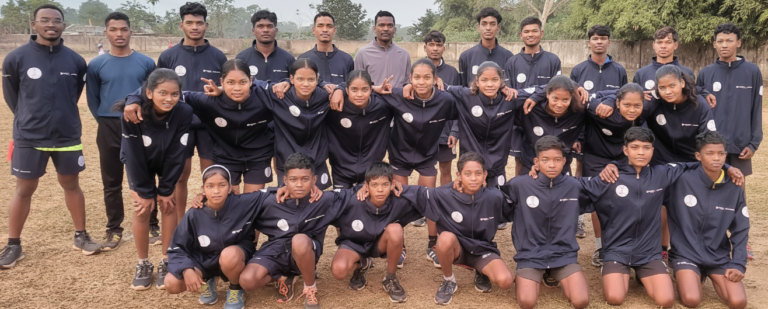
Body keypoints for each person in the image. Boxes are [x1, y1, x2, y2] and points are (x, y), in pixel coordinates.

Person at [592, 127, 743, 307]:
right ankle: (614, 268)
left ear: (653, 150)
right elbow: (583, 192)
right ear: (625, 150)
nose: (641, 152)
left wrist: (728, 167)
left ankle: (648, 273)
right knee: (615, 298)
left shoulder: (663, 174)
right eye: (635, 147)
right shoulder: (612, 177)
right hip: (618, 250)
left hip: (649, 252)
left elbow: (702, 162)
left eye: (646, 148)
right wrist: (613, 164)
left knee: (667, 300)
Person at [0, 4, 100, 269]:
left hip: (67, 135)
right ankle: (13, 244)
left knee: (71, 184)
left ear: (64, 26)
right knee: (24, 189)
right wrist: (28, 117)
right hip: (29, 136)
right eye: (45, 20)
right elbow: (13, 97)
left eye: (56, 21)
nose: (51, 25)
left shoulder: (76, 61)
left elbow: (73, 93)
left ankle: (80, 236)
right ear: (34, 24)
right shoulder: (16, 58)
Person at [149, 2, 228, 238]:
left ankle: (213, 222)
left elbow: (225, 89)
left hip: (209, 127)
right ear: (181, 25)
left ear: (206, 25)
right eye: (190, 23)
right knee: (179, 176)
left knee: (213, 176)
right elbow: (156, 89)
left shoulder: (218, 56)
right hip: (177, 126)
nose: (195, 27)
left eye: (199, 23)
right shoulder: (168, 56)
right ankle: (181, 226)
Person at [238, 153, 347, 309]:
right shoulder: (269, 199)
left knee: (299, 240)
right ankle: (283, 277)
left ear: (314, 180)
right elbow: (232, 201)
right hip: (275, 251)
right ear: (285, 180)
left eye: (305, 179)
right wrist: (203, 197)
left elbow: (354, 195)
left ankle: (310, 288)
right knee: (247, 281)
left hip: (305, 250)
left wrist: (379, 185)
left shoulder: (324, 200)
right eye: (293, 180)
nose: (299, 185)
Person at [86, 12, 156, 251]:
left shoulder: (146, 63)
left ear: (130, 32)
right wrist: (105, 121)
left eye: (123, 29)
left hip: (141, 124)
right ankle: (114, 228)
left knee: (145, 176)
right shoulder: (96, 64)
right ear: (105, 32)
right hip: (109, 126)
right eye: (114, 29)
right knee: (111, 180)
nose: (119, 34)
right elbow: (93, 99)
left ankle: (153, 224)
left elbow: (152, 94)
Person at [117, 68, 192, 290]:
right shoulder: (133, 113)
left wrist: (166, 188)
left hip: (167, 160)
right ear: (149, 93)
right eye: (163, 93)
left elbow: (178, 151)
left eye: (175, 94)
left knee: (169, 205)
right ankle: (143, 263)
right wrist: (144, 191)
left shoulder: (184, 112)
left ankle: (167, 261)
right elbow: (132, 154)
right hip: (139, 162)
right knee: (142, 208)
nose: (169, 99)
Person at [696, 23, 762, 260]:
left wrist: (754, 143)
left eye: (729, 41)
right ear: (714, 44)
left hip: (741, 145)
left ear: (739, 42)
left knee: (737, 193)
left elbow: (756, 109)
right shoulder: (705, 73)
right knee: (708, 193)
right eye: (720, 41)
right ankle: (709, 240)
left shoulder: (753, 71)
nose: (724, 45)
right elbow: (698, 107)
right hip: (712, 147)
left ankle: (742, 242)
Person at [502, 136, 590, 309]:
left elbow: (603, 190)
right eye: (545, 160)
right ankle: (536, 274)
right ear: (536, 161)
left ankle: (552, 272)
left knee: (581, 301)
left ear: (565, 161)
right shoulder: (520, 185)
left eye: (557, 160)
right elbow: (495, 202)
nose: (551, 165)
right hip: (531, 255)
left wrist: (612, 167)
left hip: (564, 255)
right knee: (527, 302)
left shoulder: (574, 186)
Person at [666, 132, 749, 309]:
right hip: (686, 253)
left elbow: (741, 228)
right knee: (691, 299)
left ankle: (705, 272)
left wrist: (738, 263)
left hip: (718, 256)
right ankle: (685, 273)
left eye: (721, 153)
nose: (716, 158)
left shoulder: (734, 185)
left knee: (738, 302)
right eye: (709, 153)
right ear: (698, 156)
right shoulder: (681, 179)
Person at [164, 165, 265, 309]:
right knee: (171, 283)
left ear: (230, 187)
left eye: (222, 185)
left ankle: (235, 288)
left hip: (235, 256)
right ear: (203, 189)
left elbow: (267, 194)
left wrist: (284, 189)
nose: (216, 191)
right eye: (210, 186)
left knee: (229, 255)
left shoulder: (242, 203)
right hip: (205, 259)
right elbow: (177, 248)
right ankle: (207, 280)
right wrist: (186, 270)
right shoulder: (195, 213)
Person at [423, 152, 515, 305]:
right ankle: (449, 281)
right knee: (445, 238)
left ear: (485, 175)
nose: (473, 178)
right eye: (468, 174)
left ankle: (481, 271)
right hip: (457, 248)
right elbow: (416, 194)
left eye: (478, 173)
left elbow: (520, 199)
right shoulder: (443, 194)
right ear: (459, 175)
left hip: (482, 250)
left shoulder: (495, 197)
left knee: (505, 281)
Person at [330, 162, 422, 303]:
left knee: (395, 229)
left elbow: (430, 194)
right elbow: (326, 201)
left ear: (392, 184)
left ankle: (390, 278)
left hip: (379, 243)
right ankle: (362, 264)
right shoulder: (352, 199)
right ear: (366, 186)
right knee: (338, 271)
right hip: (354, 244)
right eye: (374, 185)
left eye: (385, 185)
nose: (380, 190)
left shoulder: (398, 198)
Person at [580, 84, 647, 266]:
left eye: (637, 106)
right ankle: (601, 247)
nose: (632, 110)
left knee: (625, 199)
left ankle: (625, 244)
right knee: (599, 200)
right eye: (627, 105)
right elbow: (589, 98)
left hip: (623, 157)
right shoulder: (601, 110)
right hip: (595, 157)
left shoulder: (643, 116)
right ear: (618, 103)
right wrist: (609, 100)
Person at [504, 16, 563, 193]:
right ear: (521, 35)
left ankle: (546, 198)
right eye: (527, 32)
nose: (531, 35)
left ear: (541, 33)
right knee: (520, 160)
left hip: (547, 120)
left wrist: (536, 95)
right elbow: (509, 93)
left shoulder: (553, 60)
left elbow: (557, 88)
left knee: (547, 158)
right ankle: (520, 198)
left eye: (534, 31)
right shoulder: (512, 62)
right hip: (520, 121)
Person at [325, 70, 392, 189]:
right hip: (341, 171)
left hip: (370, 172)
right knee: (342, 205)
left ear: (371, 90)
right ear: (347, 90)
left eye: (365, 90)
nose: (359, 94)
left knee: (365, 206)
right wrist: (338, 89)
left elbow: (403, 97)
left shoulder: (382, 106)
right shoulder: (334, 105)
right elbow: (310, 91)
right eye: (354, 89)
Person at [516, 75, 585, 176]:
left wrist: (578, 137)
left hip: (562, 167)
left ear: (571, 97)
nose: (559, 104)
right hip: (530, 164)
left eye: (565, 100)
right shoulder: (532, 108)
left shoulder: (577, 111)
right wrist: (537, 95)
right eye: (555, 98)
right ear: (547, 94)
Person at [633, 26, 715, 107]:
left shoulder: (687, 73)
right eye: (659, 42)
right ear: (654, 45)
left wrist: (704, 94)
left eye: (668, 42)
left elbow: (692, 97)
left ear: (675, 45)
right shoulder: (641, 73)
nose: (663, 46)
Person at [423, 30, 460, 190]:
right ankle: (426, 206)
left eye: (439, 45)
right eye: (431, 45)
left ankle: (445, 204)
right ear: (425, 47)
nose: (435, 48)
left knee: (445, 170)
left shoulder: (452, 72)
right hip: (424, 130)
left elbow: (458, 103)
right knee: (426, 171)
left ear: (444, 48)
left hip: (445, 131)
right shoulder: (419, 69)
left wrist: (455, 131)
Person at [457, 7, 514, 87]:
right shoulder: (466, 56)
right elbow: (463, 89)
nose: (488, 28)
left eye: (492, 24)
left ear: (498, 28)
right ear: (478, 27)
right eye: (484, 24)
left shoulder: (508, 56)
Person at [353, 11, 411, 87]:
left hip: (398, 98)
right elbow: (358, 84)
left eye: (390, 25)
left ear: (395, 29)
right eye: (381, 25)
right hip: (373, 98)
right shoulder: (362, 54)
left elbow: (408, 83)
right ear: (374, 29)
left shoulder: (404, 55)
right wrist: (375, 89)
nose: (386, 29)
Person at [236, 10, 296, 82]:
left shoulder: (289, 59)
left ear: (276, 30)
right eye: (260, 26)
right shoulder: (241, 58)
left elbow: (295, 84)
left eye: (269, 26)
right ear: (253, 31)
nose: (265, 30)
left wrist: (288, 83)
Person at [298, 12, 354, 86]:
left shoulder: (347, 59)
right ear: (313, 30)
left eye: (329, 26)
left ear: (334, 30)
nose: (325, 30)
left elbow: (351, 87)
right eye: (320, 26)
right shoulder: (303, 59)